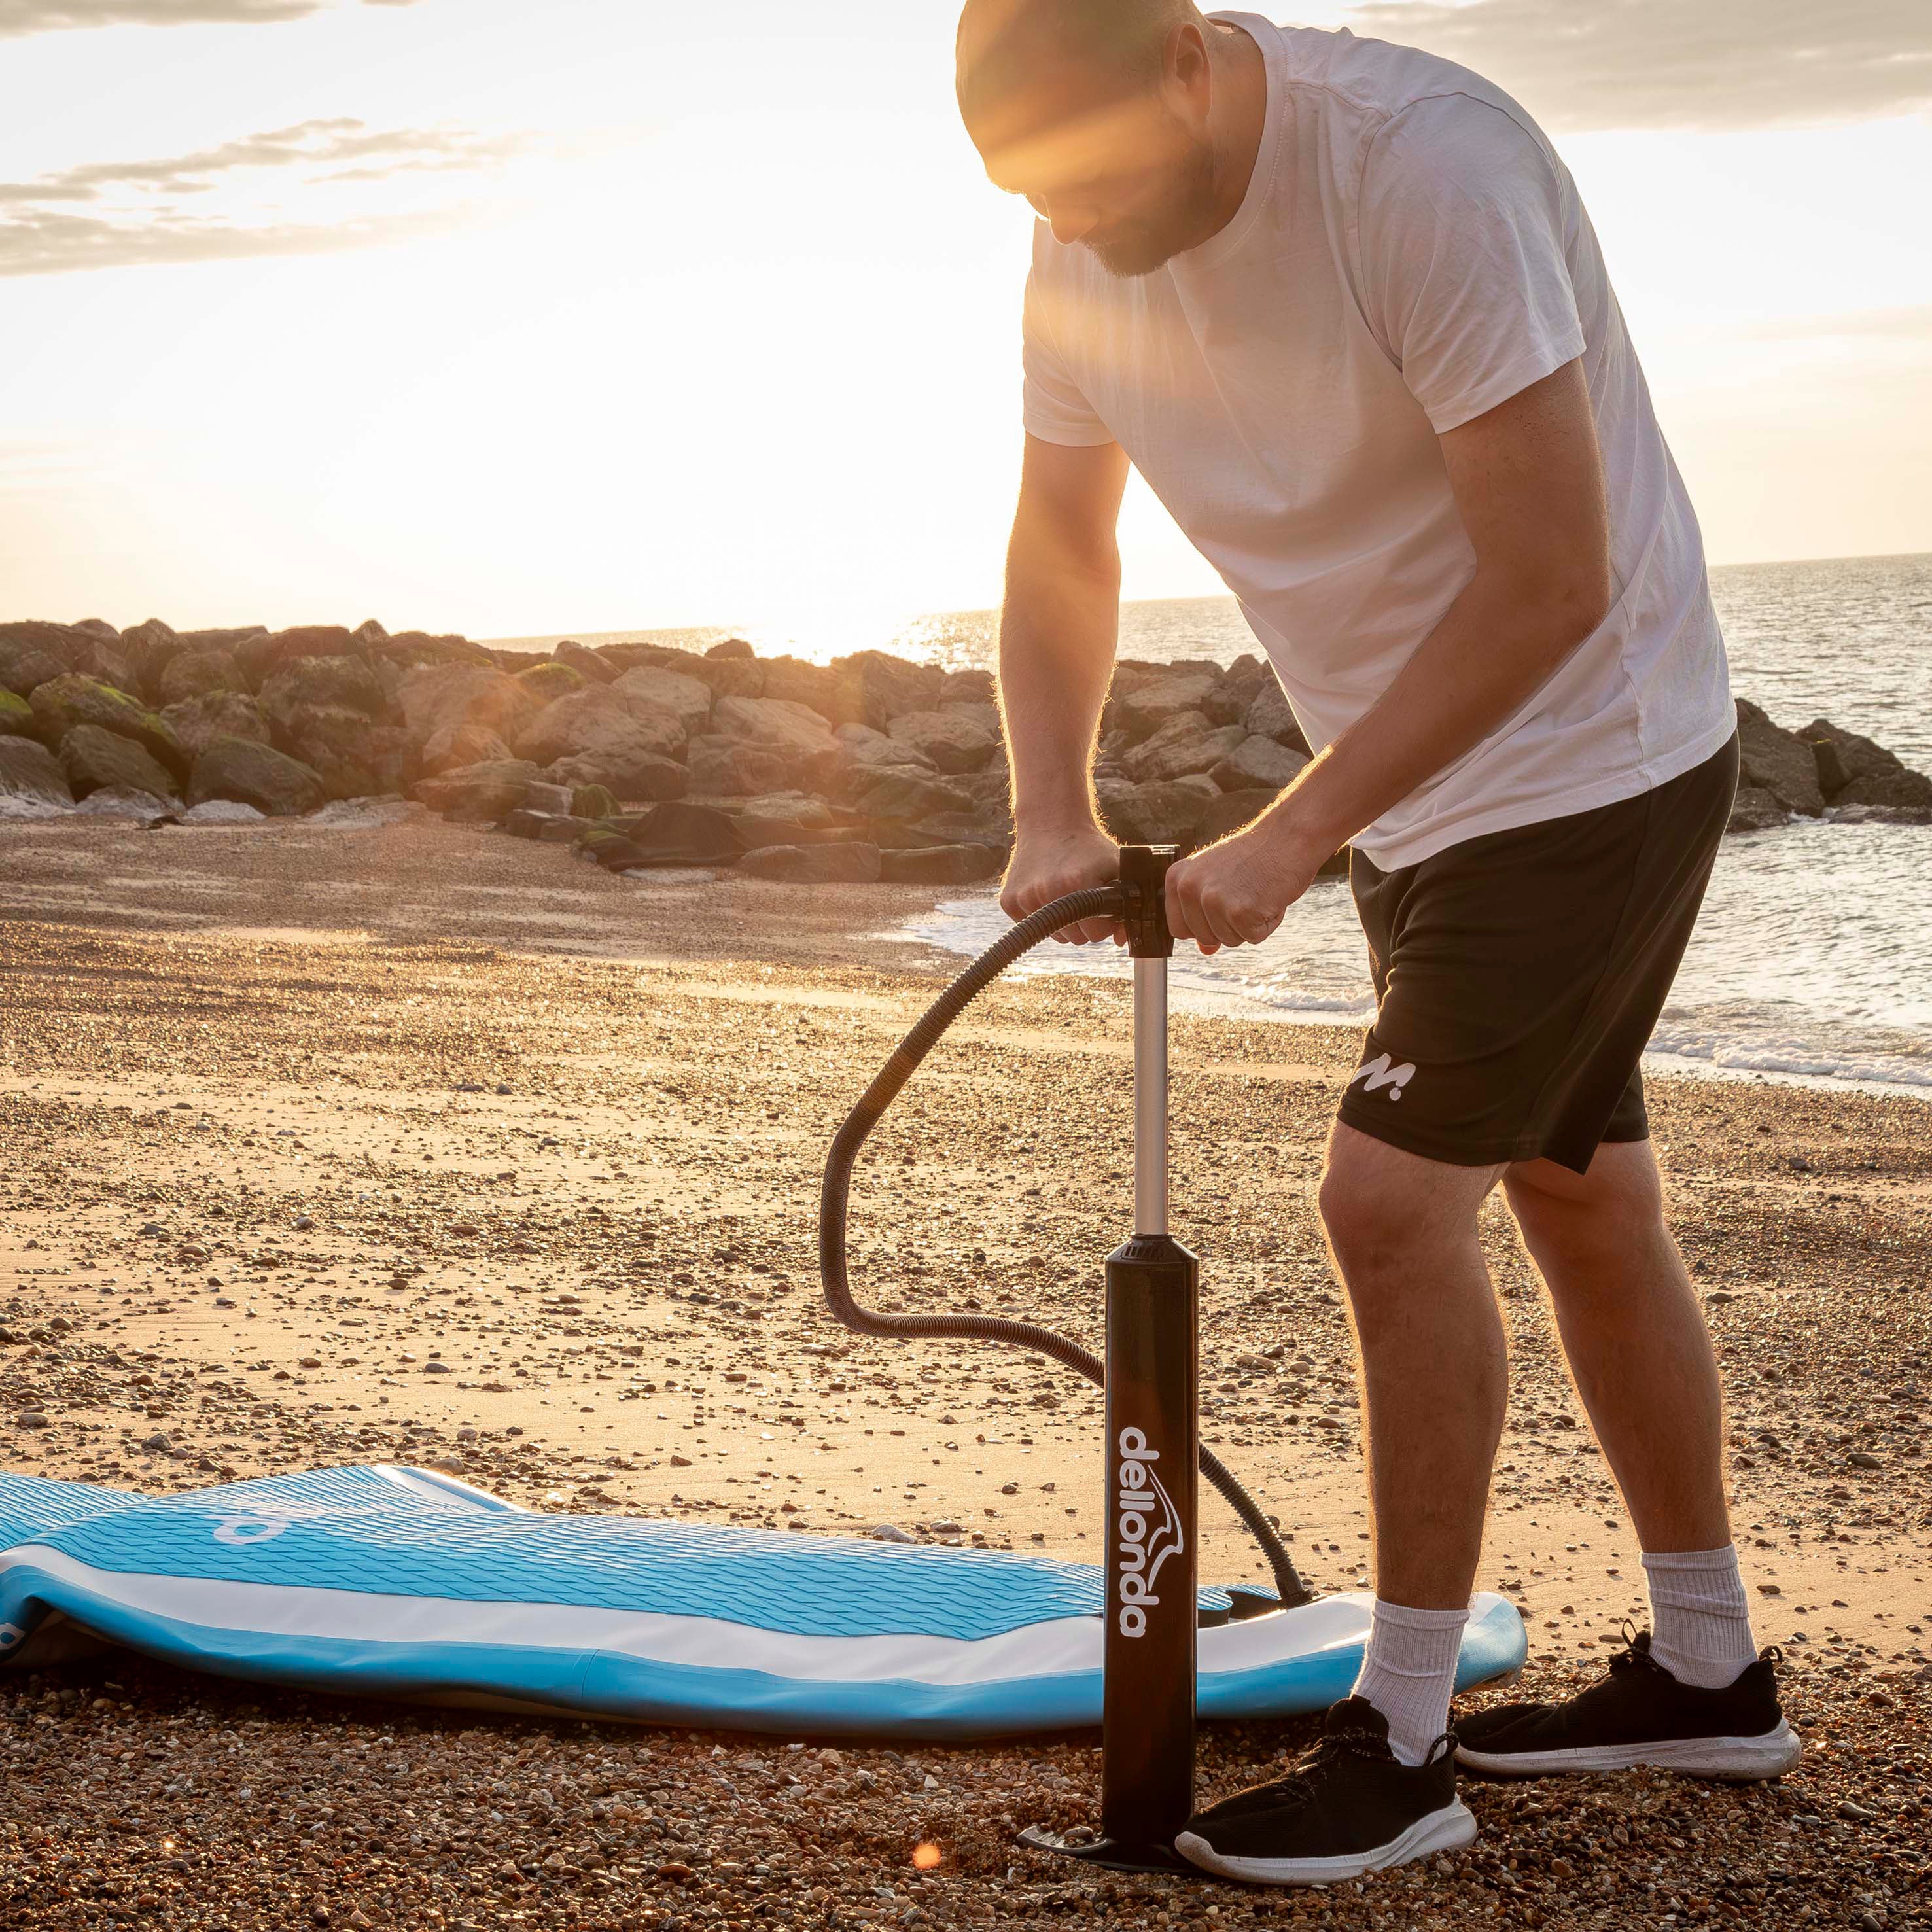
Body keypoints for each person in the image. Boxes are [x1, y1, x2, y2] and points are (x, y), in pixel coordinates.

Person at [957, 0, 1799, 1888]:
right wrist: (1045, 806)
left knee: (1386, 1203)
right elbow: (1060, 539)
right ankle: (1704, 1664)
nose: (1083, 234)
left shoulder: (1425, 166)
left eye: (1100, 188)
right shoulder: (1074, 211)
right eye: (1041, 201)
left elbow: (1550, 580)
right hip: (1413, 773)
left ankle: (1401, 1739)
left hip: (1590, 739)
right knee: (1580, 1198)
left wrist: (1286, 829)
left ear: (1186, 56)